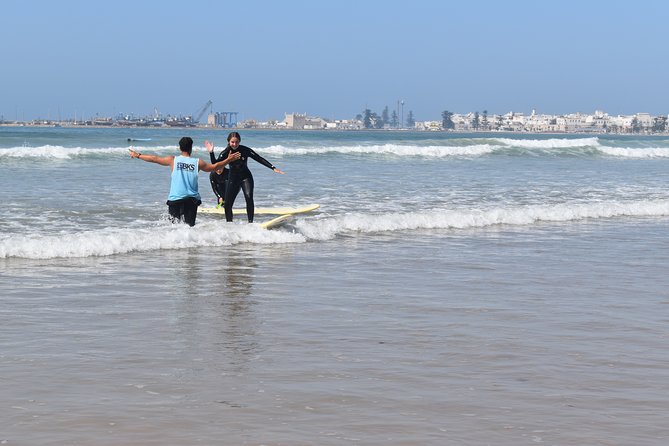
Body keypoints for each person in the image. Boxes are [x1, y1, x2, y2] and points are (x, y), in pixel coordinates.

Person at [128, 136, 240, 226]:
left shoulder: (173, 160)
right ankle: (188, 250)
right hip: (191, 200)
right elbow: (214, 167)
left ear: (180, 148)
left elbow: (154, 159)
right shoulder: (197, 162)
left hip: (175, 199)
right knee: (189, 228)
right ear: (191, 148)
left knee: (174, 228)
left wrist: (138, 155)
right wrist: (228, 160)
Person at [215, 132, 285, 223]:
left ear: (239, 141)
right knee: (227, 204)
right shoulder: (225, 153)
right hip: (233, 179)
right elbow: (215, 164)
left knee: (249, 197)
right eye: (232, 142)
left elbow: (258, 158)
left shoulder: (244, 150)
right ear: (228, 141)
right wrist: (211, 152)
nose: (235, 144)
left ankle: (250, 223)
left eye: (237, 142)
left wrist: (272, 167)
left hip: (245, 177)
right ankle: (229, 223)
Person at [205, 140, 229, 208]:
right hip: (219, 186)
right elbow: (214, 188)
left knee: (227, 201)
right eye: (216, 169)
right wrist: (219, 196)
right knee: (220, 201)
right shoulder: (212, 174)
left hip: (228, 185)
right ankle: (220, 210)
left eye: (220, 168)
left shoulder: (228, 172)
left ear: (224, 166)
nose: (218, 170)